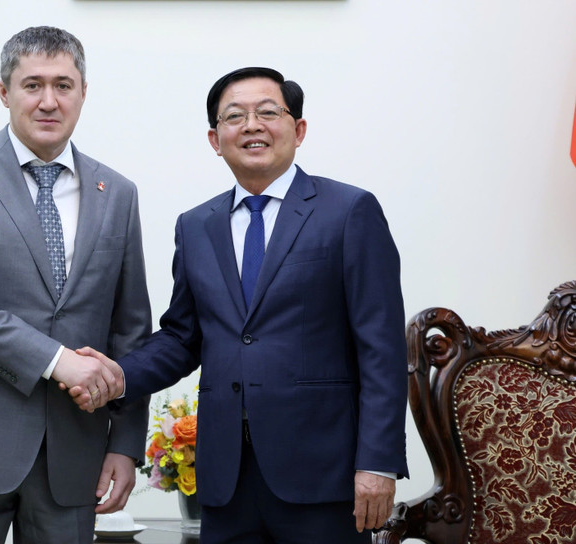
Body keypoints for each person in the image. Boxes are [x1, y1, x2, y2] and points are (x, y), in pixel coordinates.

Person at [74, 67, 409, 543]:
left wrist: (378, 462)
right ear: (215, 138)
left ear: (299, 129)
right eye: (235, 116)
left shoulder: (349, 211)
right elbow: (182, 338)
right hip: (226, 477)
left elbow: (383, 349)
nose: (252, 125)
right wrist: (117, 376)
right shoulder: (195, 226)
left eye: (268, 113)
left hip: (323, 475)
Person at [0, 26, 151, 544]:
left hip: (75, 452)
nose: (48, 101)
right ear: (4, 92)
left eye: (63, 85)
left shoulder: (119, 193)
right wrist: (55, 359)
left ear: (83, 92)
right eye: (32, 84)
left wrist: (126, 444)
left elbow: (130, 329)